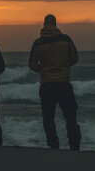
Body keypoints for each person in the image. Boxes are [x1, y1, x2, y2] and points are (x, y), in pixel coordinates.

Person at [29, 14, 81, 150]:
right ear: (56, 24)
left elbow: (32, 64)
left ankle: (53, 145)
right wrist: (63, 66)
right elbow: (75, 58)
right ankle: (74, 145)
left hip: (46, 84)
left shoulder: (38, 43)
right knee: (70, 116)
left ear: (44, 24)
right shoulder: (66, 39)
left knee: (48, 117)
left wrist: (44, 70)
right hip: (63, 83)